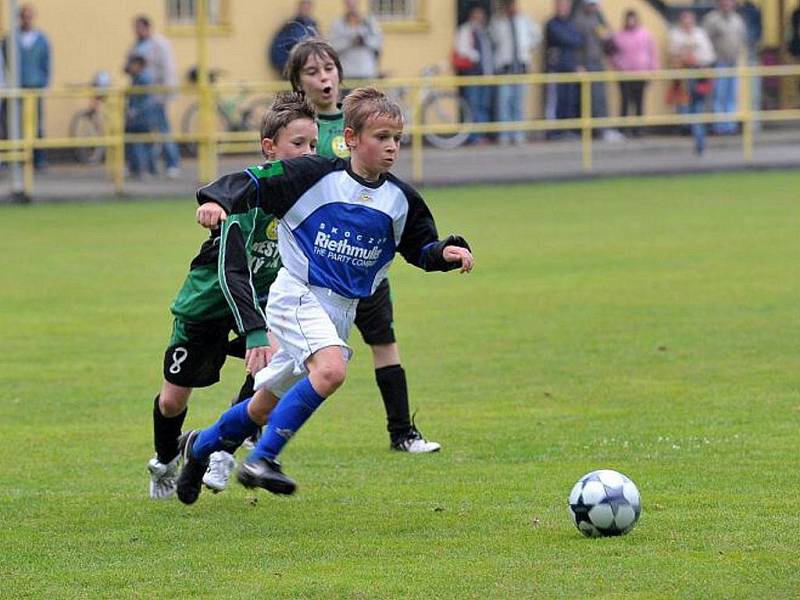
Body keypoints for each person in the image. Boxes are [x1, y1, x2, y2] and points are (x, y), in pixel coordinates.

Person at [174, 87, 475, 503]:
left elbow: (419, 249)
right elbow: (251, 181)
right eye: (381, 137)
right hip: (297, 294)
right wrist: (215, 202)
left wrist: (445, 252)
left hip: (340, 312)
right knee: (331, 371)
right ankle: (263, 460)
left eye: (397, 138)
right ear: (351, 138)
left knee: (262, 406)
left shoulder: (400, 199)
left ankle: (200, 446)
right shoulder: (311, 176)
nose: (391, 147)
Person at [146, 93, 319, 499]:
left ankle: (222, 448)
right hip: (207, 305)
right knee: (172, 402)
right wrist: (211, 205)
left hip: (258, 307)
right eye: (298, 145)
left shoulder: (307, 200)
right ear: (269, 148)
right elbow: (231, 272)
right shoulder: (249, 193)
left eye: (313, 145)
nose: (308, 154)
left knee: (277, 366)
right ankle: (165, 459)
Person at [282, 38, 445, 452]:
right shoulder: (296, 129)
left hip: (364, 260)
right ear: (297, 83)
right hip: (314, 268)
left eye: (329, 69)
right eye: (313, 72)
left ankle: (402, 433)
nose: (324, 79)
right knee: (282, 361)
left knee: (384, 341)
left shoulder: (360, 120)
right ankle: (243, 431)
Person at [128, 15, 181, 178]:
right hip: (143, 96)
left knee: (163, 130)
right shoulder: (137, 45)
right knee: (147, 132)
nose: (136, 31)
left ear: (147, 27)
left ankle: (172, 164)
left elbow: (167, 69)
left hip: (157, 95)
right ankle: (148, 166)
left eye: (139, 27)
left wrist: (167, 94)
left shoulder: (159, 45)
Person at [488, 0, 541, 145]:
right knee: (504, 103)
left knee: (518, 103)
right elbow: (493, 39)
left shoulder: (525, 20)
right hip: (505, 68)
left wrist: (527, 48)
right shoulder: (498, 22)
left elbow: (537, 36)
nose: (512, 8)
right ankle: (504, 135)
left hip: (521, 68)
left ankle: (518, 134)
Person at [572, 0, 623, 141]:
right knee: (593, 99)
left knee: (601, 97)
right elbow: (577, 45)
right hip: (587, 63)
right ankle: (599, 130)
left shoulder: (598, 17)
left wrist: (607, 34)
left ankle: (603, 128)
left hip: (598, 61)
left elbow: (607, 36)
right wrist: (578, 64)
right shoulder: (579, 20)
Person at [669, 10, 716, 155]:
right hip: (682, 79)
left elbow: (708, 56)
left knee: (698, 111)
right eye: (685, 21)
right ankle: (692, 138)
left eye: (690, 21)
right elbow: (674, 53)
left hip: (698, 77)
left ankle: (700, 143)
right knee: (686, 112)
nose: (688, 24)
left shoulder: (700, 34)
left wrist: (692, 54)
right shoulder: (675, 34)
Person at [610, 10, 658, 137]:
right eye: (628, 19)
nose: (631, 22)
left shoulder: (645, 34)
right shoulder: (619, 36)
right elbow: (613, 54)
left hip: (641, 74)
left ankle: (639, 128)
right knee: (625, 101)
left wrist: (653, 70)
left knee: (639, 102)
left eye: (633, 19)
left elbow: (652, 52)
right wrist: (620, 65)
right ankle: (623, 129)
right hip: (625, 74)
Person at [702, 0, 746, 134]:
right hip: (719, 62)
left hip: (733, 62)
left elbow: (742, 38)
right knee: (718, 94)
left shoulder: (738, 20)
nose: (727, 4)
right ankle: (719, 125)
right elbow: (704, 41)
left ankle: (730, 125)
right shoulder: (711, 19)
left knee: (731, 94)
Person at [14, 4, 50, 170]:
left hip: (36, 87)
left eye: (29, 16)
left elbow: (46, 63)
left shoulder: (41, 40)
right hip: (18, 87)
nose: (26, 20)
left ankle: (39, 160)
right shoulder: (13, 39)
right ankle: (20, 159)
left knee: (37, 124)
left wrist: (44, 82)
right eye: (24, 16)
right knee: (18, 123)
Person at [454, 3, 494, 145]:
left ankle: (481, 134)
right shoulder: (465, 31)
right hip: (472, 75)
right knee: (473, 106)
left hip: (484, 75)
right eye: (477, 15)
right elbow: (461, 50)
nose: (480, 18)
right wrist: (474, 55)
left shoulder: (484, 32)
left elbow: (488, 55)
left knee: (483, 106)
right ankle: (473, 137)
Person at [545, 0, 582, 138]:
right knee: (555, 102)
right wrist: (571, 39)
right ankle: (554, 132)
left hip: (570, 68)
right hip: (556, 69)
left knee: (569, 101)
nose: (563, 8)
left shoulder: (571, 23)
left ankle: (567, 130)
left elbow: (578, 40)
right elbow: (566, 38)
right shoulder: (551, 24)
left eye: (565, 5)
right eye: (560, 5)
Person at [329, 0, 383, 80]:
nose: (351, 4)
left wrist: (365, 41)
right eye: (348, 2)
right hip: (347, 73)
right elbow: (332, 46)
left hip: (366, 72)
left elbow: (378, 42)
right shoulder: (338, 24)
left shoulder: (369, 22)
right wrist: (350, 42)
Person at [124, 55, 157, 179]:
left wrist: (134, 111)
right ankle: (144, 169)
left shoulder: (143, 79)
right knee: (142, 143)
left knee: (139, 143)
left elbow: (146, 100)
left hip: (142, 118)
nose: (130, 67)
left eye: (132, 64)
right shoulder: (138, 78)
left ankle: (143, 170)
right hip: (142, 117)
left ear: (138, 65)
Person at [268, 0, 319, 76]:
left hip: (308, 72)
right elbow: (277, 48)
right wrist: (285, 67)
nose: (306, 9)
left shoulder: (313, 27)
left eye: (308, 6)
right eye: (304, 6)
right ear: (299, 7)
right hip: (293, 72)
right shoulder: (290, 27)